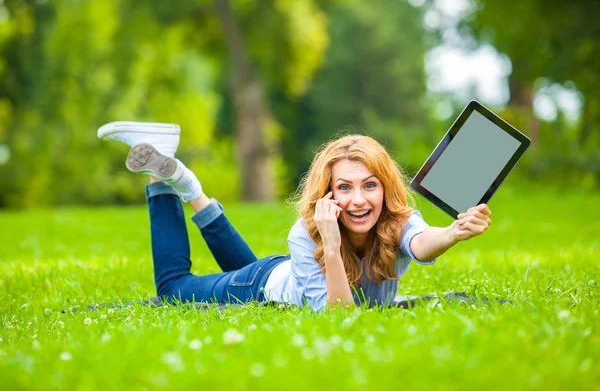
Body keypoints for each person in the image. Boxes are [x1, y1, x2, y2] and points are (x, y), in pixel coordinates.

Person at [98, 122, 492, 311]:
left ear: (386, 189)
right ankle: (165, 177)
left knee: (252, 269)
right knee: (171, 290)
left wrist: (454, 233)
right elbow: (339, 317)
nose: (358, 200)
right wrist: (333, 247)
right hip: (260, 287)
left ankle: (192, 191)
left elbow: (422, 245)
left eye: (370, 185)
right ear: (328, 192)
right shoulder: (307, 235)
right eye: (345, 187)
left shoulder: (397, 219)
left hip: (286, 276)